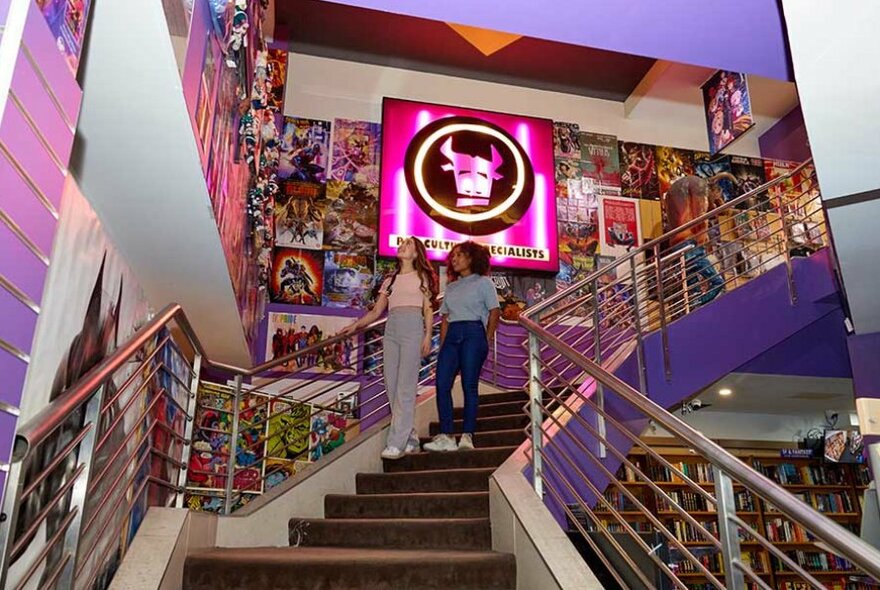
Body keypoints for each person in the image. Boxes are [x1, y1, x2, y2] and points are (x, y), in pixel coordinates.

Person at [340, 237, 438, 459]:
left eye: (408, 245)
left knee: (405, 387)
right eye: (401, 243)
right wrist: (354, 325)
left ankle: (396, 443)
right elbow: (376, 313)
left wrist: (427, 336)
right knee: (392, 385)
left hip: (413, 328)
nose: (402, 245)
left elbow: (429, 310)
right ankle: (410, 438)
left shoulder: (421, 277)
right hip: (391, 330)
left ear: (416, 254)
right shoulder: (390, 280)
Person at [424, 242, 500, 452]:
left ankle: (467, 435)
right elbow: (446, 319)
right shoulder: (451, 287)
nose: (454, 259)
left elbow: (495, 312)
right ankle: (447, 436)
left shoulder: (484, 283)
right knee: (442, 383)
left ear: (472, 258)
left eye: (460, 255)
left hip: (474, 333)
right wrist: (442, 345)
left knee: (469, 385)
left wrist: (486, 338)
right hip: (452, 336)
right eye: (453, 256)